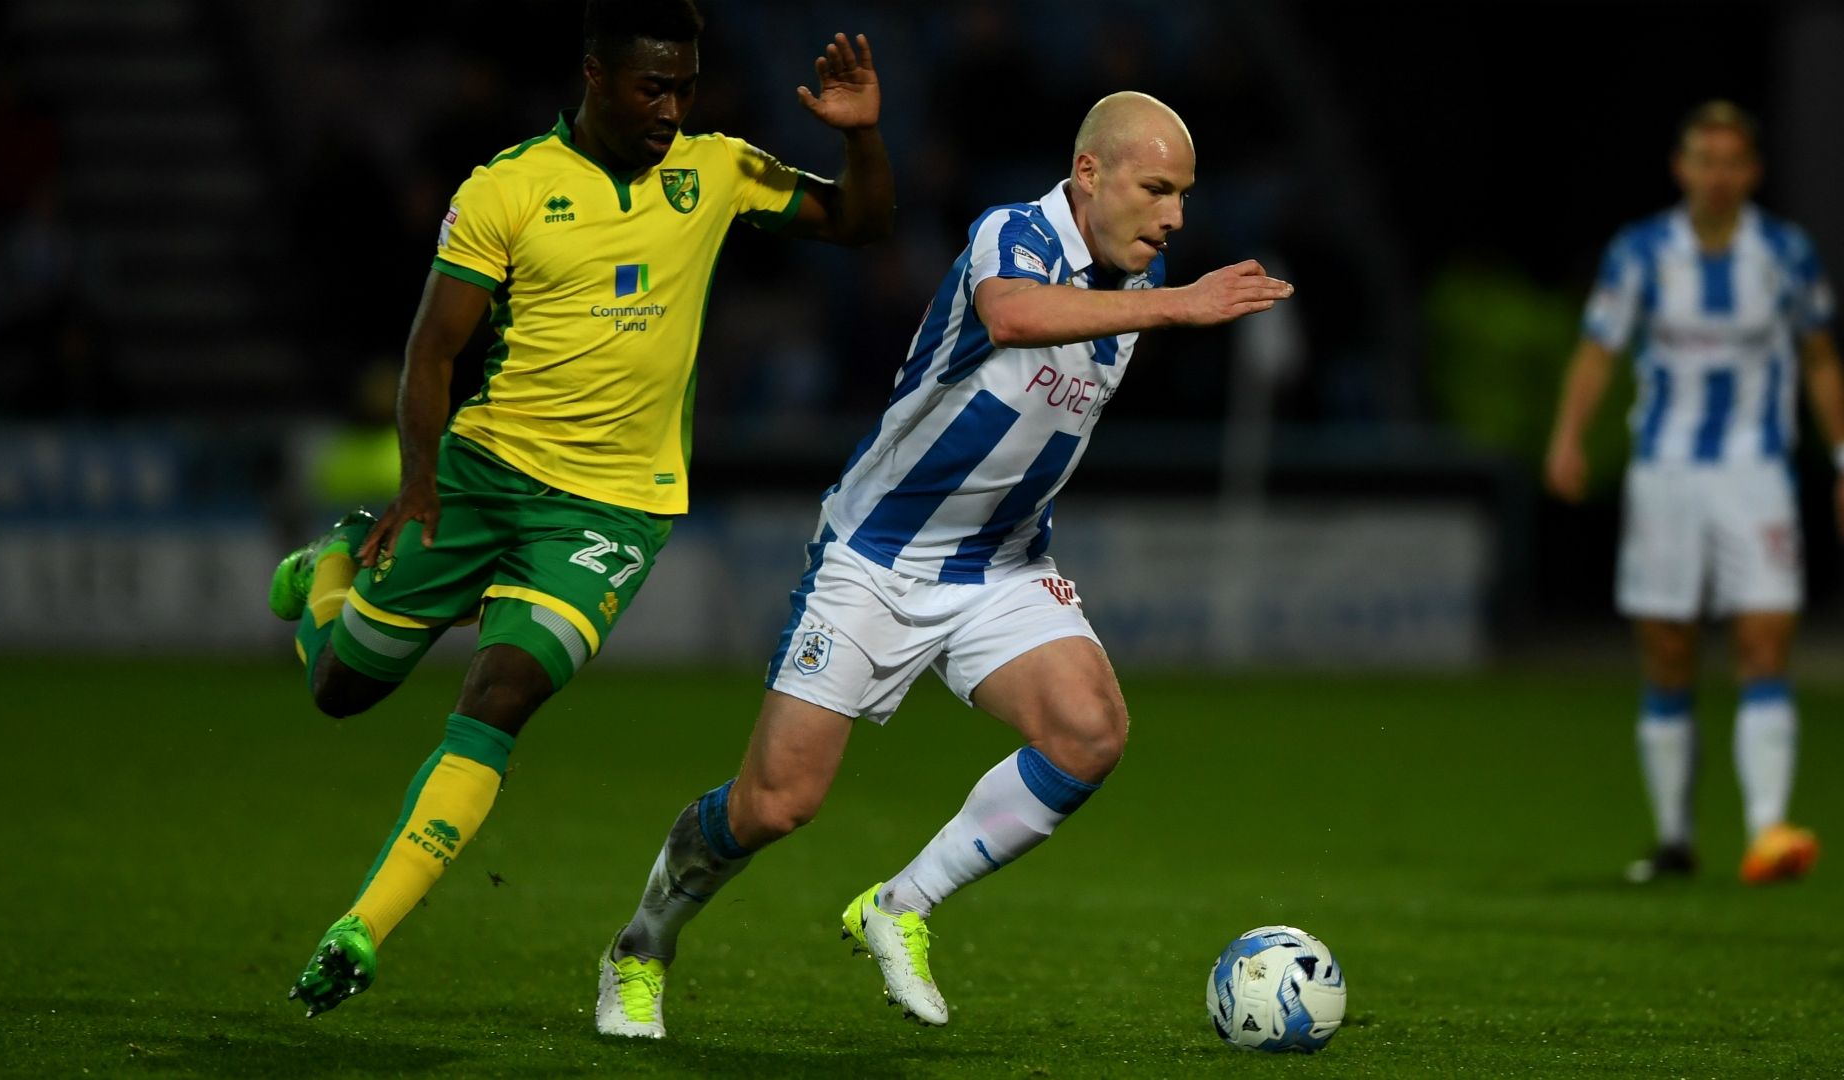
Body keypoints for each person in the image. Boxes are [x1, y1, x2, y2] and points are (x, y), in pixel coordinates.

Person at [595, 91, 1295, 1038]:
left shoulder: (1139, 282)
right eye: (1157, 189)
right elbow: (1009, 318)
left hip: (999, 566)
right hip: (875, 557)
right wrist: (1182, 305)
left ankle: (901, 905)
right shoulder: (1016, 234)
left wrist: (1164, 299)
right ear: (1089, 174)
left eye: (1184, 194)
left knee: (1089, 733)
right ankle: (641, 947)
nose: (1174, 216)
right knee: (774, 804)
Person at [266, 0, 894, 1017]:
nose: (672, 107)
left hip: (609, 510)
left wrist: (861, 134)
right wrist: (414, 487)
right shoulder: (506, 188)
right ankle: (331, 565)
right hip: (478, 478)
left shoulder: (715, 169)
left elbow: (864, 223)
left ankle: (361, 927)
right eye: (653, 86)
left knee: (501, 691)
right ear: (596, 75)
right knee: (341, 689)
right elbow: (433, 351)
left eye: (685, 86)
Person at [1545, 100, 1841, 885]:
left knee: (1764, 639)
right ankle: (1675, 837)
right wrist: (1568, 436)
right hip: (1665, 473)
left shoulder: (1785, 252)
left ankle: (1768, 830)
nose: (1718, 176)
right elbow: (1599, 349)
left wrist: (1842, 454)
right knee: (1670, 653)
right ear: (1683, 169)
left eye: (1732, 162)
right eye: (1705, 161)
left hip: (1757, 472)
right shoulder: (1643, 250)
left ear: (1753, 172)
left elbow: (1818, 357)